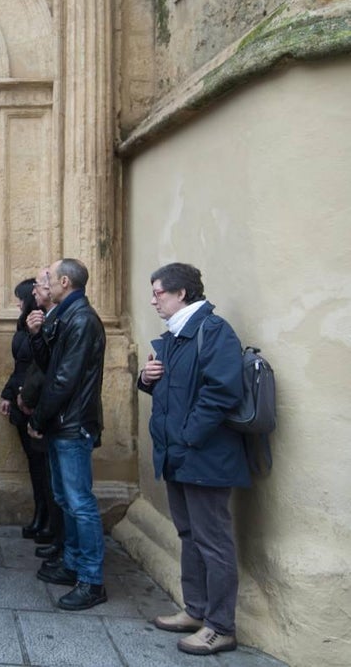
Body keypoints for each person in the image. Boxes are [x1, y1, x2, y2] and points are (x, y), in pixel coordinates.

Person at [140, 263, 245, 656]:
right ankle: (196, 610)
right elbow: (177, 391)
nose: (153, 300)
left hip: (203, 456)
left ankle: (220, 626)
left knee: (212, 540)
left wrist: (187, 437)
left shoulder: (212, 331)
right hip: (180, 455)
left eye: (158, 293)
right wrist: (147, 378)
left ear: (181, 293)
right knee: (189, 535)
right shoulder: (177, 337)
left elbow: (221, 392)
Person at [27, 258, 107, 611]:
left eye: (47, 278)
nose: (43, 283)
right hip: (63, 422)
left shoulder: (82, 320)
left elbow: (64, 380)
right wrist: (37, 334)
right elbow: (50, 366)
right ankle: (72, 563)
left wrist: (39, 419)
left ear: (64, 282)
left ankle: (91, 581)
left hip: (72, 424)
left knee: (80, 503)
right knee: (65, 497)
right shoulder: (65, 316)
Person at [0, 278, 55, 543]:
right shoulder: (26, 325)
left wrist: (25, 395)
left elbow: (42, 368)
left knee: (45, 466)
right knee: (35, 465)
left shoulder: (43, 325)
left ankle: (50, 522)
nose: (20, 302)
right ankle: (40, 514)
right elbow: (19, 366)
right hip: (22, 398)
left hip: (36, 402)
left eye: (22, 298)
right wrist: (9, 393)